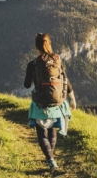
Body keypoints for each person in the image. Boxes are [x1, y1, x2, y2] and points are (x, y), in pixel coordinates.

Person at [24, 32, 76, 170]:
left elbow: (26, 85)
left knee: (42, 134)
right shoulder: (57, 60)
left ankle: (50, 160)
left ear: (36, 47)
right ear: (49, 44)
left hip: (40, 104)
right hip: (56, 103)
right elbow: (65, 80)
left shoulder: (34, 64)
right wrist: (72, 98)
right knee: (52, 132)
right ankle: (51, 158)